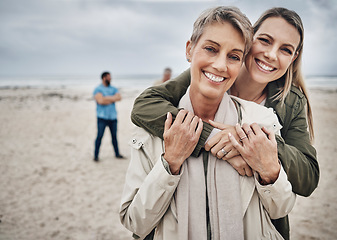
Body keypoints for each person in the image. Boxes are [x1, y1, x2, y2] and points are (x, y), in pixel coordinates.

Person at [130, 7, 319, 239]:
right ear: (250, 41)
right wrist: (210, 136)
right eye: (265, 41)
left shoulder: (290, 102)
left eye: (285, 50)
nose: (271, 54)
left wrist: (250, 141)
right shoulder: (210, 75)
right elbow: (144, 105)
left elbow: (308, 176)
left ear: (294, 57)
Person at [93, 71, 125, 161]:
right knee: (99, 136)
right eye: (109, 77)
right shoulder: (98, 89)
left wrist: (105, 98)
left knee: (114, 137)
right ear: (104, 78)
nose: (111, 79)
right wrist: (112, 98)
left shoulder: (113, 88)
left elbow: (119, 98)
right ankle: (96, 156)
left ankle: (117, 154)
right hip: (102, 117)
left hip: (113, 117)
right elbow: (100, 101)